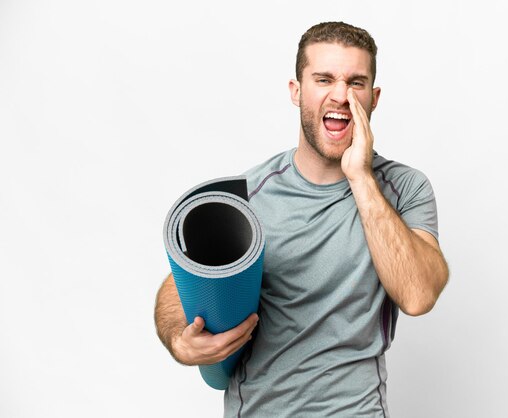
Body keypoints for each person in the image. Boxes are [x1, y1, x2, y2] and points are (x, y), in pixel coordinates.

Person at [155, 21, 449, 417]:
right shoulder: (249, 196)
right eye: (324, 79)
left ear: (374, 98)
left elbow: (418, 295)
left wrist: (360, 176)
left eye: (356, 82)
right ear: (296, 92)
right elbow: (178, 289)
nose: (341, 96)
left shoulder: (403, 189)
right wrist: (180, 339)